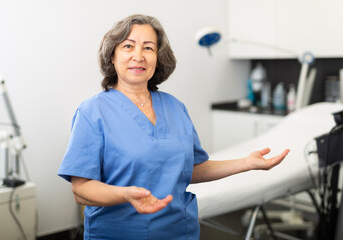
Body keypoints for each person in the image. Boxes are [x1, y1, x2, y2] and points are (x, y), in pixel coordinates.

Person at [57, 14, 290, 240]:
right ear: (112, 57)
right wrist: (125, 194)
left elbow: (191, 169)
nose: (139, 55)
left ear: (158, 58)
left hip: (179, 231)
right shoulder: (92, 112)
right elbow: (81, 189)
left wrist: (246, 163)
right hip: (120, 232)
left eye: (148, 48)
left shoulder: (174, 107)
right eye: (128, 46)